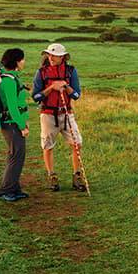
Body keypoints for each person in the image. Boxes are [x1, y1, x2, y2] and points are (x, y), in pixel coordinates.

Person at [32, 43, 85, 192]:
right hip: (48, 115)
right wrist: (51, 88)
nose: (50, 57)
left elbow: (76, 95)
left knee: (77, 144)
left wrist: (65, 86)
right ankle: (52, 177)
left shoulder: (70, 71)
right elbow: (35, 97)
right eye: (49, 54)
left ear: (62, 57)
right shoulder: (41, 72)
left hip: (67, 114)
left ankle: (77, 176)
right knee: (48, 146)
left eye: (53, 55)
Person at [0, 48, 30, 202]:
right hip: (11, 123)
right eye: (22, 59)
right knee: (16, 155)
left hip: (13, 122)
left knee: (17, 155)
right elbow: (12, 107)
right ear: (16, 61)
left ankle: (14, 188)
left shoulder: (12, 78)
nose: (24, 62)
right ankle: (6, 190)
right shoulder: (8, 80)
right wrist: (22, 126)